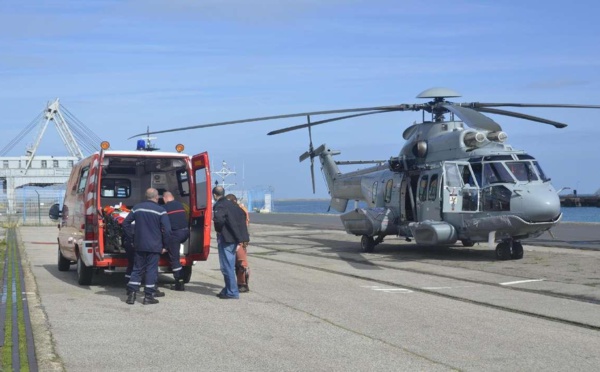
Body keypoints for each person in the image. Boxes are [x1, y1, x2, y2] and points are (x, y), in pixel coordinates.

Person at [123, 188, 171, 305]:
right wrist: (166, 245)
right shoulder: (161, 210)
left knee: (137, 269)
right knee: (151, 270)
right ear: (157, 197)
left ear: (146, 196)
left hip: (139, 244)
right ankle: (148, 296)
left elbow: (125, 223)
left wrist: (131, 238)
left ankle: (131, 295)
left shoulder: (137, 208)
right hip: (155, 245)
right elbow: (168, 230)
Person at [212, 186, 249, 299]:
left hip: (226, 238)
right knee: (230, 264)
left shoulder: (220, 205)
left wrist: (219, 230)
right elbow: (242, 218)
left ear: (214, 195)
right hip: (236, 238)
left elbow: (218, 219)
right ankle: (228, 288)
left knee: (226, 266)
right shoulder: (234, 206)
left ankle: (232, 291)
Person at [162, 191, 189, 291]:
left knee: (174, 259)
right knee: (173, 251)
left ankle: (179, 282)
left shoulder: (164, 208)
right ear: (172, 197)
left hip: (175, 235)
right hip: (185, 233)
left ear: (165, 198)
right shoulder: (181, 205)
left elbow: (163, 225)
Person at [225, 193, 251, 293]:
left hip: (239, 240)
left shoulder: (239, 211)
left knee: (241, 263)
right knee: (239, 263)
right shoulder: (240, 210)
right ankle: (241, 283)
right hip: (240, 238)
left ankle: (243, 284)